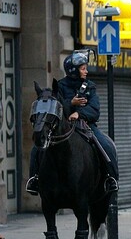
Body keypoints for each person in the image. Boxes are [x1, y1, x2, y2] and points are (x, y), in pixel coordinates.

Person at [26, 50, 119, 195]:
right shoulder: (60, 87)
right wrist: (71, 103)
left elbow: (95, 110)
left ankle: (110, 179)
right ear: (73, 70)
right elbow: (56, 108)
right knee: (36, 149)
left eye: (85, 68)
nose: (86, 71)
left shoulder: (90, 86)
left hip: (86, 126)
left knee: (107, 145)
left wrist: (79, 113)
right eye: (83, 68)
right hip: (63, 127)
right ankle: (34, 179)